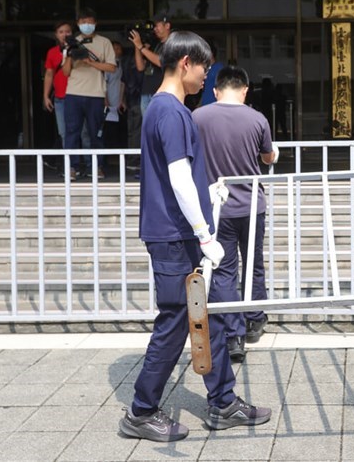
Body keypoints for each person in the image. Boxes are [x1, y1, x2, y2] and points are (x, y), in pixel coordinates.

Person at [119, 31, 271, 443]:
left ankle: (223, 402)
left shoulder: (170, 109)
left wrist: (207, 204)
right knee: (176, 323)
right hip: (175, 236)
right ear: (186, 63)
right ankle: (141, 411)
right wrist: (205, 233)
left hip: (179, 233)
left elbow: (185, 179)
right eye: (205, 66)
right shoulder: (169, 111)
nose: (208, 75)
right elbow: (179, 176)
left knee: (211, 317)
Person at [193, 66, 279, 361]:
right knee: (254, 263)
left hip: (217, 207)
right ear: (245, 89)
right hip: (252, 204)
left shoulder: (198, 117)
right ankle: (255, 319)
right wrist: (273, 154)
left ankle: (233, 337)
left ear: (216, 90)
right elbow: (268, 156)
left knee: (224, 270)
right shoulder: (257, 118)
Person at [62, 7, 116, 181]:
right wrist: (70, 54)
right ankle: (72, 167)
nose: (86, 25)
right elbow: (64, 72)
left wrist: (90, 62)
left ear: (95, 23)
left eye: (89, 22)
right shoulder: (72, 42)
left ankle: (97, 166)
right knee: (72, 132)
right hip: (73, 93)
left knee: (96, 133)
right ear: (78, 24)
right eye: (83, 22)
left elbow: (112, 67)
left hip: (96, 94)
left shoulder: (104, 42)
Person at [130, 12, 172, 116]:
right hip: (146, 91)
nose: (154, 29)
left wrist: (141, 47)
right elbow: (140, 67)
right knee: (148, 129)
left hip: (161, 92)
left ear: (167, 26)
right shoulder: (155, 44)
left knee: (160, 127)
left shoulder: (173, 43)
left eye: (157, 25)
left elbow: (160, 62)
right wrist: (137, 46)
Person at [42, 21, 74, 153]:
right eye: (61, 32)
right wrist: (46, 95)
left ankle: (88, 165)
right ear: (56, 35)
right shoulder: (52, 52)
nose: (64, 34)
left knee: (83, 132)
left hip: (77, 95)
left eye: (67, 31)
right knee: (63, 132)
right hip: (60, 97)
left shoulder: (79, 50)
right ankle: (70, 166)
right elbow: (49, 74)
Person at [102, 40, 127, 170]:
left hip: (117, 102)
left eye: (118, 48)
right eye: (114, 48)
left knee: (117, 132)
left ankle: (116, 159)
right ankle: (105, 161)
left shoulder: (120, 64)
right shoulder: (107, 65)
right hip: (109, 102)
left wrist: (122, 100)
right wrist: (105, 100)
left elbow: (122, 83)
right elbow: (104, 84)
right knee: (106, 132)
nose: (116, 51)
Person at [198, 40, 224, 108]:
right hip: (204, 104)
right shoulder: (205, 68)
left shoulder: (219, 68)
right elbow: (204, 89)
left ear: (211, 54)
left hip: (215, 105)